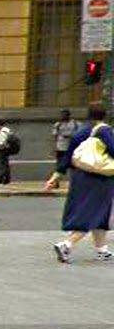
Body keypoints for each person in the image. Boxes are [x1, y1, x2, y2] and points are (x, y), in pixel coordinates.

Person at [55, 106, 114, 262]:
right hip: (100, 178)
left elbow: (68, 156)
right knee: (94, 212)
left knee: (100, 212)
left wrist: (56, 175)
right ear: (105, 115)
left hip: (80, 176)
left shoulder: (81, 132)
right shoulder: (105, 131)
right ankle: (66, 244)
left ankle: (102, 249)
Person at [45, 109, 79, 191]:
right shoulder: (58, 125)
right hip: (61, 148)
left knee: (74, 167)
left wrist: (71, 136)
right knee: (59, 166)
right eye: (62, 115)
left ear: (69, 116)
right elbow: (54, 136)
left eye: (65, 115)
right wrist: (53, 148)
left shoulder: (75, 124)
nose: (63, 117)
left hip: (72, 148)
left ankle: (74, 183)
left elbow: (79, 135)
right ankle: (55, 182)